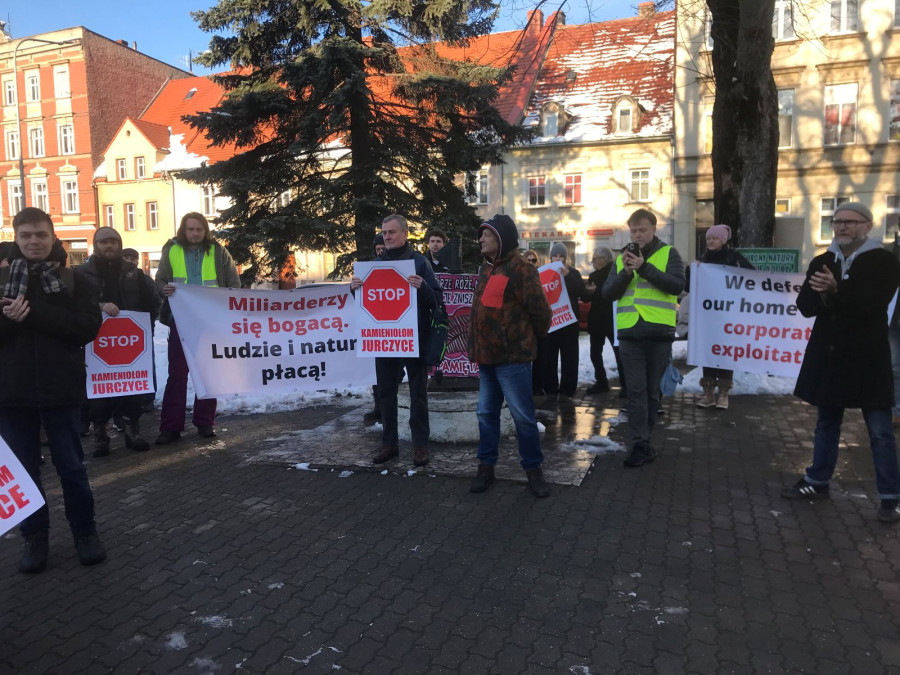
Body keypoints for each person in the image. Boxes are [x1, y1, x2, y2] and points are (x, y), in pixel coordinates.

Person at [0, 207, 105, 573]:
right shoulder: (0, 280)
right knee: (25, 473)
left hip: (61, 390)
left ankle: (85, 532)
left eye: (40, 235)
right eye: (26, 235)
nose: (33, 241)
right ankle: (35, 537)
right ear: (16, 237)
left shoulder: (75, 280)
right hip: (12, 394)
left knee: (72, 468)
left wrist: (33, 314)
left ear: (53, 237)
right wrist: (9, 322)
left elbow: (87, 328)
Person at [783, 202, 900, 523]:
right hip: (830, 355)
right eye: (837, 222)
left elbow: (872, 304)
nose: (842, 227)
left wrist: (836, 291)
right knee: (826, 424)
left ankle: (891, 497)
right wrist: (822, 295)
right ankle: (817, 481)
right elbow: (806, 306)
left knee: (879, 431)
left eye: (849, 221)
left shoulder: (884, 261)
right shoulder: (823, 261)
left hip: (868, 359)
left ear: (867, 225)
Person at [468, 215, 552, 497]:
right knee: (486, 414)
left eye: (486, 235)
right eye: (481, 235)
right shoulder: (486, 269)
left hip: (512, 361)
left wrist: (522, 342)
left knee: (523, 418)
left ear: (502, 238)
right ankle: (486, 467)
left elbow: (542, 314)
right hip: (487, 359)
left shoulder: (522, 270)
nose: (480, 240)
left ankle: (533, 470)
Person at [350, 214, 441, 467]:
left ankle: (420, 445)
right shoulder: (374, 265)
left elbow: (436, 300)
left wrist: (422, 287)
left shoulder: (419, 262)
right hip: (386, 339)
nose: (386, 237)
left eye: (391, 232)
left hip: (416, 338)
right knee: (387, 393)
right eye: (384, 232)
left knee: (418, 394)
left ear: (405, 234)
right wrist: (354, 288)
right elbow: (366, 305)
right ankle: (389, 443)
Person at [602, 208, 685, 467]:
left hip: (659, 333)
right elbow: (608, 294)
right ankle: (640, 443)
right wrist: (627, 273)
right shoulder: (621, 259)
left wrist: (644, 268)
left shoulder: (669, 253)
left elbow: (677, 285)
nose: (637, 235)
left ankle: (645, 440)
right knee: (635, 390)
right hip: (630, 334)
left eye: (642, 230)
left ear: (653, 229)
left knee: (651, 392)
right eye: (633, 231)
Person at [155, 213, 240, 444]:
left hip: (210, 324)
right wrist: (164, 290)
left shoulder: (219, 252)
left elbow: (234, 284)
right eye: (190, 229)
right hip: (180, 322)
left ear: (205, 231)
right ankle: (171, 427)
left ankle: (205, 422)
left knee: (208, 374)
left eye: (199, 230)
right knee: (177, 376)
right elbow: (159, 281)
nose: (194, 234)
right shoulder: (171, 250)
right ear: (183, 230)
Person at [79, 228, 159, 456]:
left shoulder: (134, 273)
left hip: (130, 344)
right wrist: (100, 307)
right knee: (98, 394)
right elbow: (76, 304)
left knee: (132, 391)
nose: (109, 246)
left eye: (114, 241)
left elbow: (150, 303)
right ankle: (101, 436)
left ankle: (132, 431)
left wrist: (145, 329)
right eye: (104, 242)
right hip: (96, 345)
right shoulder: (83, 273)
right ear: (96, 245)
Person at [687, 224, 755, 409]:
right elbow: (689, 285)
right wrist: (693, 270)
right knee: (708, 352)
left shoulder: (735, 258)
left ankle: (724, 394)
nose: (710, 241)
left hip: (729, 314)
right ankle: (708, 393)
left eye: (714, 238)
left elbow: (752, 278)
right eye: (708, 238)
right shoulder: (703, 259)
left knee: (724, 352)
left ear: (723, 240)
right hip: (708, 315)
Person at [543, 242, 585, 401]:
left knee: (570, 357)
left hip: (569, 322)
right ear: (551, 257)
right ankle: (550, 388)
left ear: (566, 258)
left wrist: (568, 276)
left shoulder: (573, 273)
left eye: (561, 256)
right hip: (551, 322)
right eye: (555, 256)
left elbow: (580, 291)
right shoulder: (545, 273)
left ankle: (568, 389)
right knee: (549, 357)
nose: (558, 259)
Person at [582, 247, 625, 395]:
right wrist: (587, 292)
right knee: (596, 353)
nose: (593, 262)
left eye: (594, 259)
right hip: (597, 319)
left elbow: (611, 292)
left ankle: (624, 386)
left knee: (619, 353)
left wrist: (596, 291)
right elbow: (586, 297)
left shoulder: (614, 272)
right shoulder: (593, 275)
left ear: (603, 259)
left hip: (612, 319)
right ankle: (602, 382)